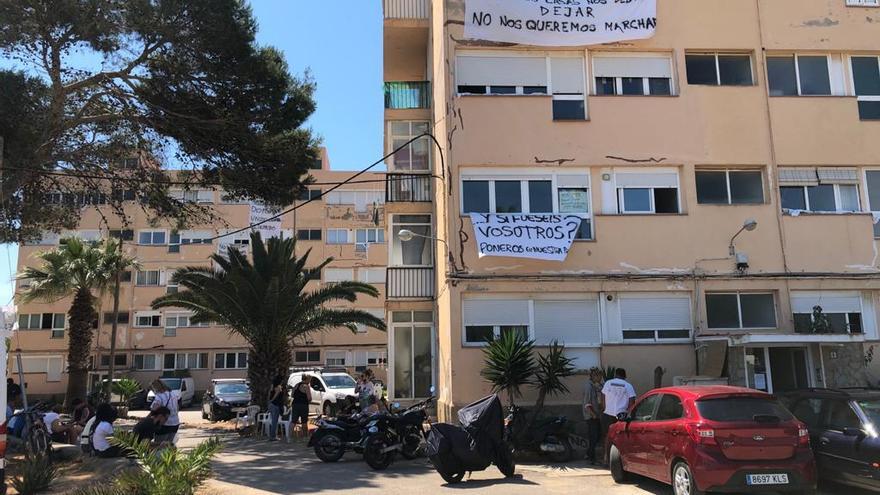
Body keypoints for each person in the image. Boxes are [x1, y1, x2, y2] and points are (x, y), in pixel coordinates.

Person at [601, 368, 636, 466]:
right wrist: (628, 413)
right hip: (621, 416)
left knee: (607, 437)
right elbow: (632, 401)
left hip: (608, 414)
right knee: (621, 438)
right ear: (624, 376)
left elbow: (602, 396)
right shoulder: (628, 386)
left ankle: (606, 459)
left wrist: (605, 408)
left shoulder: (608, 383)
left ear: (615, 374)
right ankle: (620, 461)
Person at [582, 367, 603, 465]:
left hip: (596, 415)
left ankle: (588, 453)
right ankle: (592, 458)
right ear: (594, 376)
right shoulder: (588, 387)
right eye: (599, 376)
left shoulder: (596, 386)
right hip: (591, 416)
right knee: (594, 437)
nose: (600, 378)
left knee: (597, 436)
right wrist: (593, 414)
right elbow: (587, 403)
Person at [150, 379, 180, 443]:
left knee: (159, 445)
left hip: (164, 424)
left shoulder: (159, 396)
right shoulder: (173, 394)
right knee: (169, 445)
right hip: (175, 423)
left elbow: (154, 408)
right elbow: (177, 408)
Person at [291, 374, 312, 438]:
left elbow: (292, 395)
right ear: (307, 379)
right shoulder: (306, 386)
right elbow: (309, 398)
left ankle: (289, 436)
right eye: (309, 380)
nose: (310, 381)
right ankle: (305, 436)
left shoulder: (296, 385)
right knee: (304, 421)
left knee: (293, 421)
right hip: (303, 405)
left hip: (295, 404)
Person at [267, 376, 286, 441]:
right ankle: (273, 436)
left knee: (273, 421)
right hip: (276, 405)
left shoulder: (272, 386)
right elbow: (276, 395)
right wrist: (272, 400)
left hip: (271, 405)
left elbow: (270, 394)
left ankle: (273, 435)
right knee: (274, 421)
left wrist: (269, 401)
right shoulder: (279, 387)